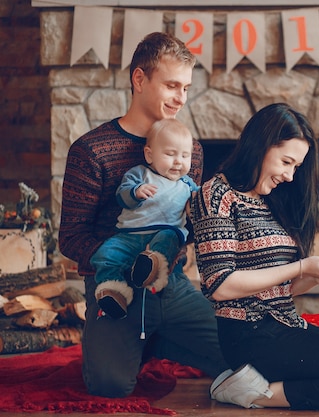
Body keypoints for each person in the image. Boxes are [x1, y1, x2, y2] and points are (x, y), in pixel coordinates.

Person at [189, 102, 319, 410]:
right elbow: (220, 284)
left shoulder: (273, 201)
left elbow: (278, 287)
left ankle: (257, 388)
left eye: (296, 167)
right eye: (286, 162)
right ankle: (252, 393)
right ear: (260, 146)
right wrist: (302, 266)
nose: (290, 176)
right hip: (248, 334)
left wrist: (315, 280)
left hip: (286, 325)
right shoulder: (215, 196)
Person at [58, 31, 228, 398]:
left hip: (173, 284)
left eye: (185, 88)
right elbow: (70, 237)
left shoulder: (190, 152)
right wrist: (125, 260)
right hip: (114, 285)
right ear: (139, 79)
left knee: (240, 357)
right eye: (171, 85)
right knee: (110, 384)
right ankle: (131, 337)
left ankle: (156, 339)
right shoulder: (91, 150)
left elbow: (188, 227)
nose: (181, 98)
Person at [90, 118, 199, 320]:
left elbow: (201, 203)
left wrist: (196, 203)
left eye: (185, 156)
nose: (178, 162)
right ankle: (114, 292)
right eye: (170, 154)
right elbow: (122, 195)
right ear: (149, 155)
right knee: (104, 255)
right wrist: (136, 192)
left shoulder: (187, 185)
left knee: (168, 239)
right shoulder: (139, 174)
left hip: (164, 234)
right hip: (129, 235)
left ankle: (152, 268)